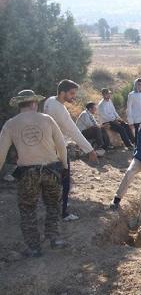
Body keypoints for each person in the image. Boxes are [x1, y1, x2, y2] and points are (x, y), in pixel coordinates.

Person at [0, 90, 69, 257]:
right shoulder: (47, 119)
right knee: (53, 205)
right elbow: (61, 146)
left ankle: (34, 248)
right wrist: (64, 165)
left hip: (27, 173)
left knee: (28, 209)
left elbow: (1, 153)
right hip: (51, 170)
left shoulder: (10, 124)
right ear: (33, 103)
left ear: (20, 105)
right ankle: (55, 238)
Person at [44, 79, 98, 222]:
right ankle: (63, 213)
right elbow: (74, 131)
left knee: (54, 182)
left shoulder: (49, 101)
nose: (73, 96)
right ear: (62, 93)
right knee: (65, 181)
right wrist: (90, 150)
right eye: (71, 93)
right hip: (58, 149)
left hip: (48, 147)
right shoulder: (60, 109)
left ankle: (54, 209)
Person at [126, 78, 141, 144]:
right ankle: (137, 152)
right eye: (138, 84)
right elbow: (129, 108)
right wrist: (130, 121)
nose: (139, 86)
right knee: (137, 138)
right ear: (135, 85)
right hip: (136, 120)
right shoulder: (131, 95)